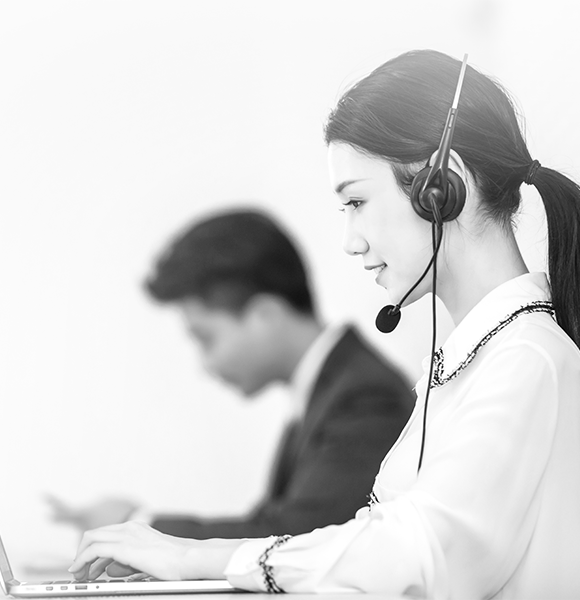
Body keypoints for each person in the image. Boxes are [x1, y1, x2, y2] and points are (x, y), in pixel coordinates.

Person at [66, 49, 580, 599]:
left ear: (441, 186)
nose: (350, 242)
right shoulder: (485, 359)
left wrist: (193, 556)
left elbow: (417, 554)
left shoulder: (526, 359)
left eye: (356, 201)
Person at [47, 209, 414, 538]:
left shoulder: (365, 397)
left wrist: (138, 525)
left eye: (205, 338)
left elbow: (295, 536)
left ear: (264, 315)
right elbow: (274, 524)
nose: (205, 366)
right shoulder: (327, 386)